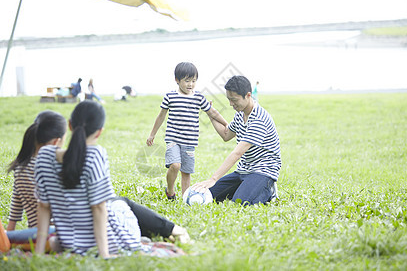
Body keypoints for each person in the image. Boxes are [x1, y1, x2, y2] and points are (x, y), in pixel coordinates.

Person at [34, 100, 189, 258]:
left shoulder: (44, 156)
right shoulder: (95, 155)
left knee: (117, 203)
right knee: (121, 203)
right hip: (114, 241)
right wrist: (104, 255)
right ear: (100, 131)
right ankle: (175, 230)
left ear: (70, 125)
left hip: (70, 243)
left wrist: (38, 253)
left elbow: (44, 207)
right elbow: (99, 208)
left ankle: (171, 230)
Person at [192, 75, 281, 206]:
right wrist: (211, 114)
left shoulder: (259, 119)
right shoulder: (240, 114)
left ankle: (268, 189)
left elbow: (237, 153)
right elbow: (226, 134)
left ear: (248, 95)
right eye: (229, 99)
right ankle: (246, 187)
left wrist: (213, 178)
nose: (231, 104)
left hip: (263, 171)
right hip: (243, 170)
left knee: (240, 203)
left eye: (234, 100)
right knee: (208, 195)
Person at [146, 62, 227, 200]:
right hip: (173, 139)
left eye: (193, 81)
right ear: (177, 80)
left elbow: (212, 112)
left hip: (190, 141)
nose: (190, 84)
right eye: (187, 81)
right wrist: (152, 134)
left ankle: (185, 198)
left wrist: (226, 124)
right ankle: (170, 190)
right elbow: (161, 116)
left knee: (186, 172)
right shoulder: (170, 96)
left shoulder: (199, 97)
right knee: (175, 165)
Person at [6, 111, 67, 231]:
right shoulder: (54, 167)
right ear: (56, 142)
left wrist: (8, 236)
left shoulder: (20, 168)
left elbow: (15, 210)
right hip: (59, 234)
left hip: (33, 235)